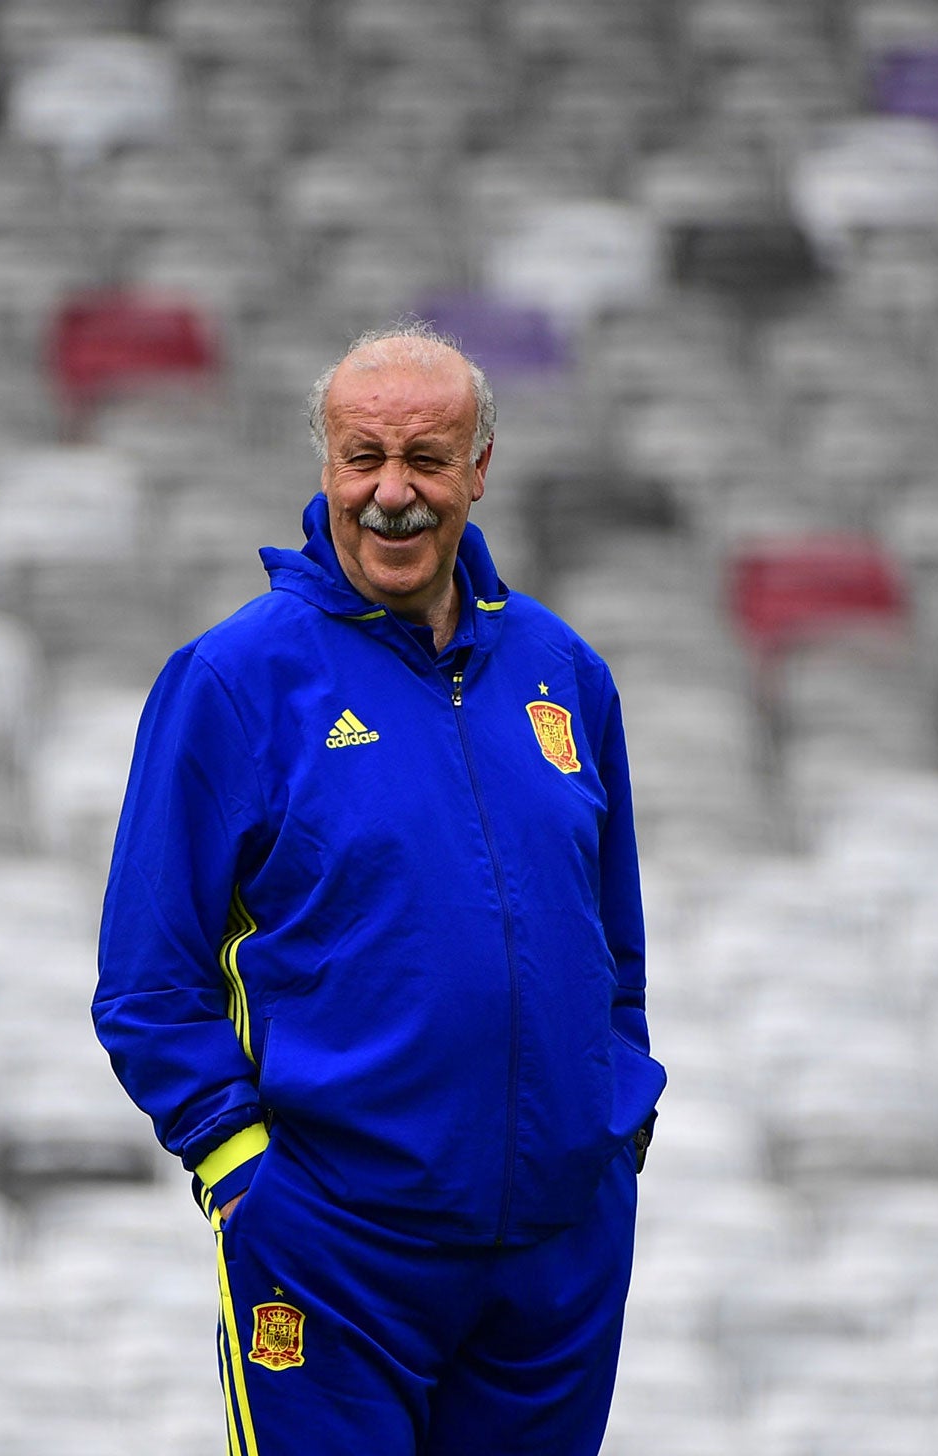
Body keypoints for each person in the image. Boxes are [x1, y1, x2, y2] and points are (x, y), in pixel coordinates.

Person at [93, 321, 665, 1455]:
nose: (391, 494)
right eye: (363, 458)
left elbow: (613, 942)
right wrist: (240, 1169)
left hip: (554, 1259)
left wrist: (617, 1121)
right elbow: (146, 982)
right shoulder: (234, 679)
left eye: (426, 459)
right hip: (332, 1250)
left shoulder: (561, 670)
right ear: (324, 466)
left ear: (478, 469)